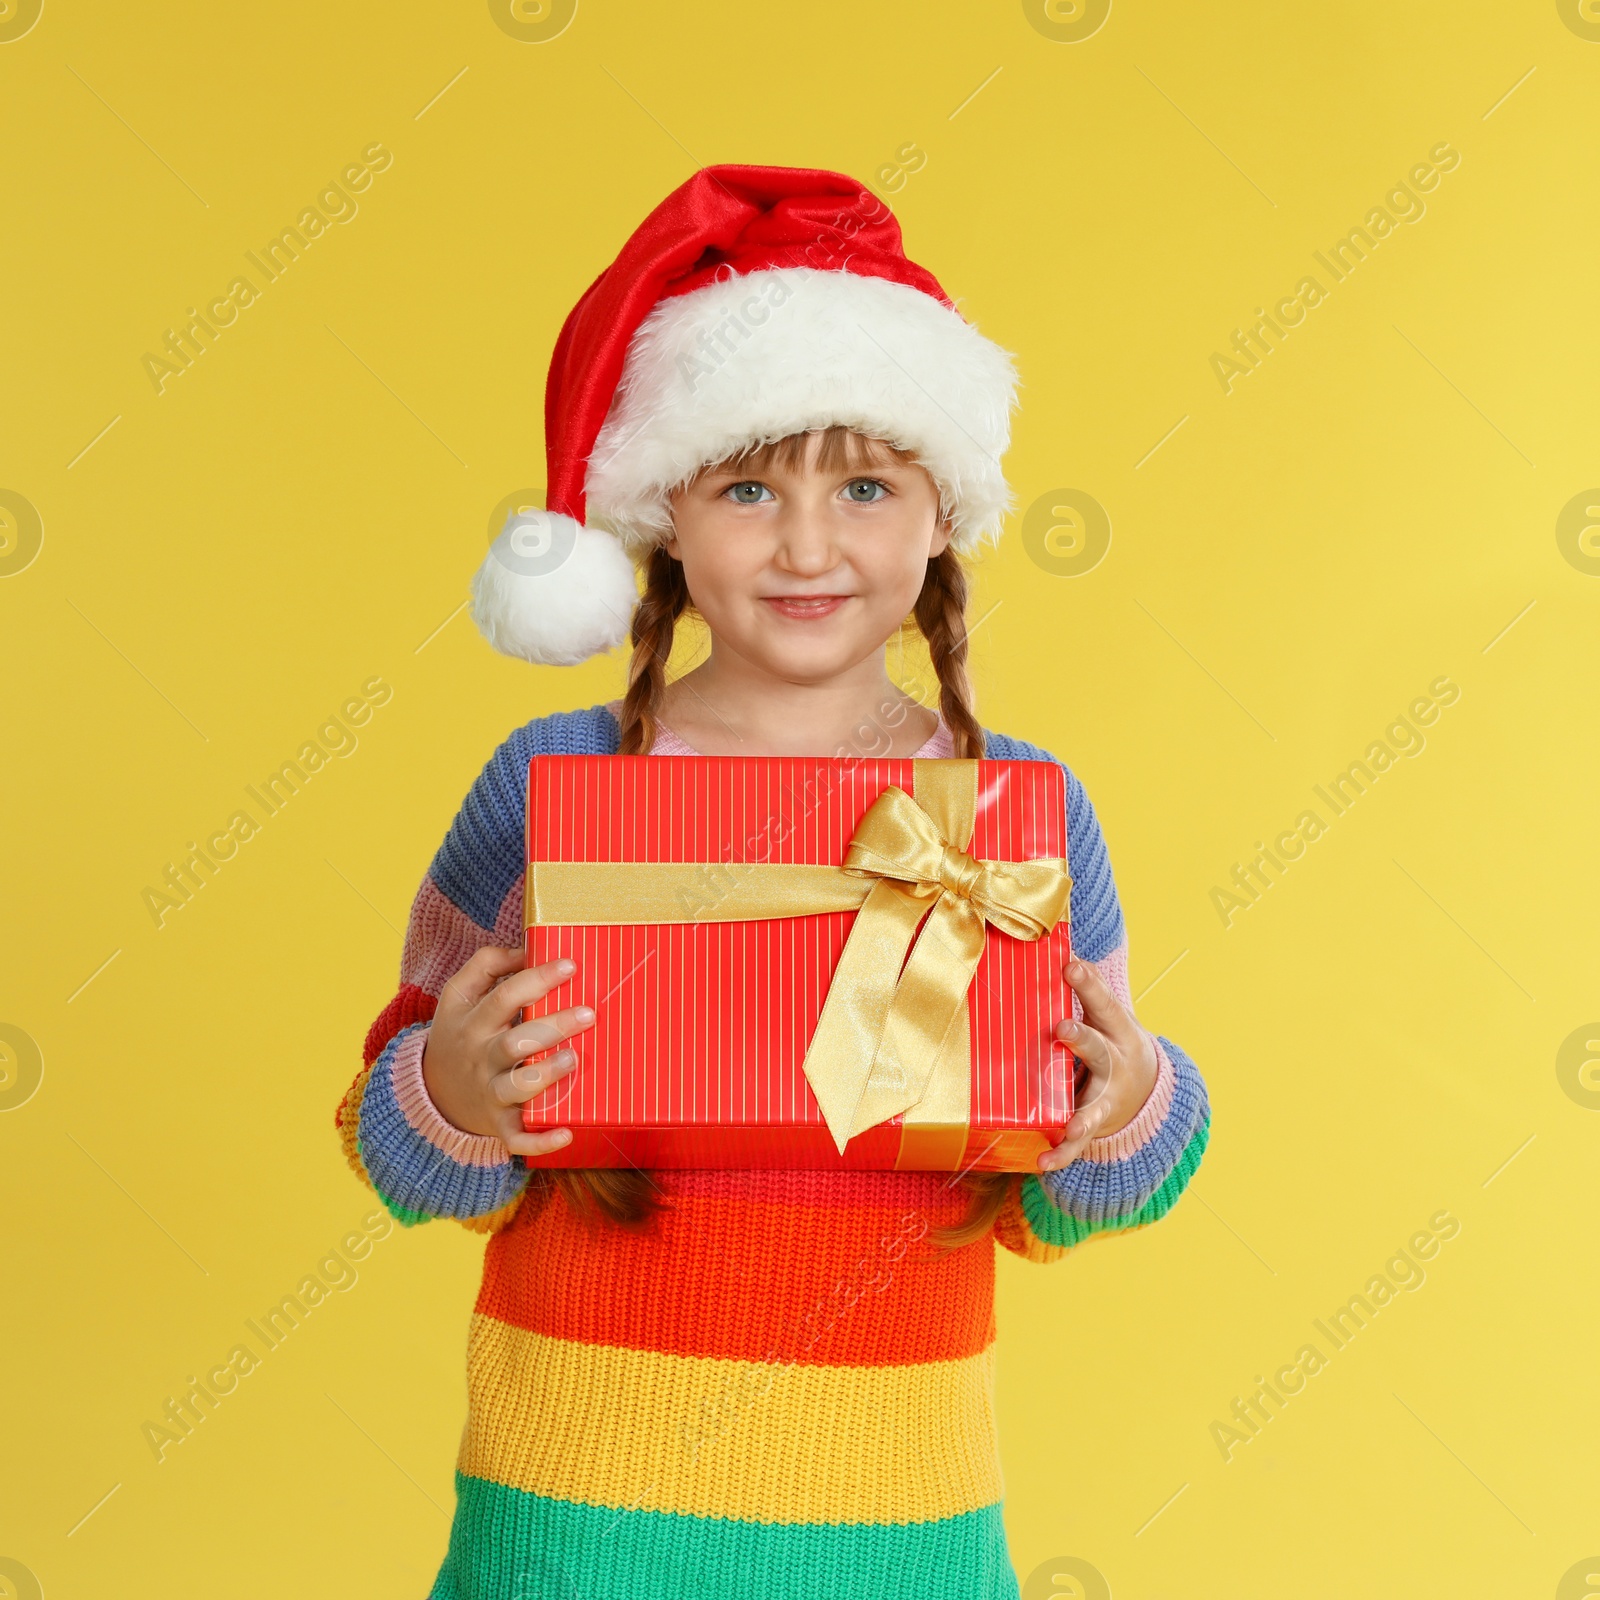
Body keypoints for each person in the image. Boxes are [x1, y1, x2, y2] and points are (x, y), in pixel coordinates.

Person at [335, 165, 1211, 1600]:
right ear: (666, 515)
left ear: (942, 517)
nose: (809, 546)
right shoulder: (549, 781)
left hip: (900, 1529)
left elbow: (1075, 1202)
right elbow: (398, 1147)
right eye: (749, 486)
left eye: (866, 486)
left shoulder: (1008, 820)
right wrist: (453, 1086)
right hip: (572, 1521)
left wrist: (1129, 1105)